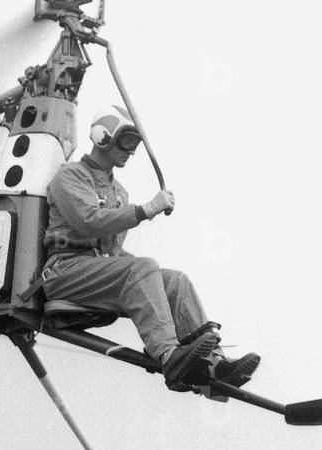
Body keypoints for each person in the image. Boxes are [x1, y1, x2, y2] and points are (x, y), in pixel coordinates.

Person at [42, 104, 261, 389]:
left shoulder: (118, 192)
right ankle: (170, 355)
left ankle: (213, 364)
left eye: (135, 143)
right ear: (103, 137)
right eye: (126, 140)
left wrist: (149, 271)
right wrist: (146, 210)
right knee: (144, 267)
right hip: (65, 272)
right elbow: (90, 222)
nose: (131, 150)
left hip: (93, 270)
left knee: (174, 281)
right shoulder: (71, 176)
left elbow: (114, 252)